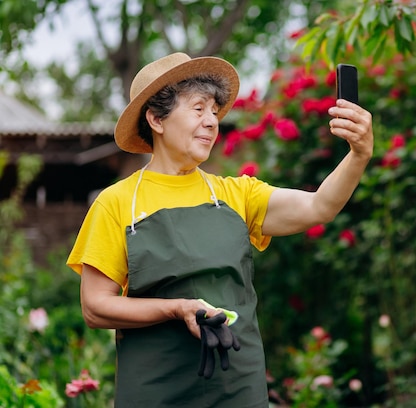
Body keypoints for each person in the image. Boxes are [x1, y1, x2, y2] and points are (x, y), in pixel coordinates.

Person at [66, 52, 373, 407]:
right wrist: (175, 308)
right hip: (156, 391)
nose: (212, 121)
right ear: (156, 119)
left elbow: (321, 206)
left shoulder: (236, 194)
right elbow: (95, 307)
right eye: (198, 108)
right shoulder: (117, 203)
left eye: (214, 110)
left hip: (237, 389)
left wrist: (359, 155)